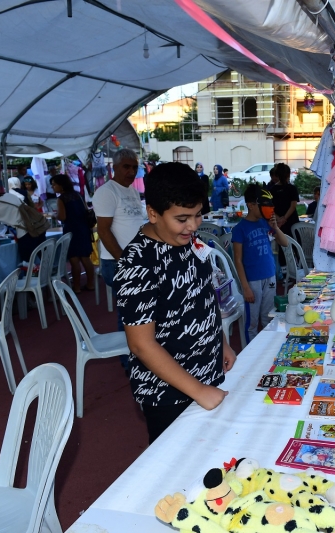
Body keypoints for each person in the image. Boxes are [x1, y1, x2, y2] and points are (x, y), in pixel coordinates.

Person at [116, 162, 236, 444]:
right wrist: (198, 391)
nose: (193, 226)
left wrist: (220, 341)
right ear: (153, 213)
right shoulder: (138, 263)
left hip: (206, 373)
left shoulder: (188, 241)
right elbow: (141, 344)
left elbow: (202, 297)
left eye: (197, 215)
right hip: (169, 393)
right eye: (182, 219)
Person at [93, 148, 146, 369]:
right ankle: (128, 361)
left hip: (135, 261)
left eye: (134, 167)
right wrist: (124, 262)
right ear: (114, 167)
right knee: (128, 313)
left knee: (137, 311)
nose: (131, 171)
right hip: (118, 263)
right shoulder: (107, 192)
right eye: (126, 166)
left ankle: (138, 354)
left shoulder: (132, 191)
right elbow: (104, 231)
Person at [231, 185, 288, 343]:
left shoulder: (266, 223)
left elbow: (285, 243)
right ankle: (251, 353)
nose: (268, 208)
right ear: (251, 205)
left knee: (269, 316)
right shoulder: (240, 229)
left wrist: (275, 227)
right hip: (252, 281)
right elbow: (238, 259)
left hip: (269, 276)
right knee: (253, 322)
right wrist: (245, 287)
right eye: (263, 204)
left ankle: (268, 348)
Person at [51, 174, 95, 293]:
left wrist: (54, 215)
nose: (53, 187)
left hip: (71, 230)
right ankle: (91, 284)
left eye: (54, 184)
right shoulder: (78, 195)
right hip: (83, 228)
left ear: (61, 185)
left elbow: (62, 216)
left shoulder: (61, 199)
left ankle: (76, 287)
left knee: (74, 259)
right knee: (85, 258)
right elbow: (85, 209)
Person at [270, 162, 299, 252]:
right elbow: (293, 206)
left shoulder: (272, 189)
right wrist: (284, 218)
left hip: (278, 222)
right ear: (288, 175)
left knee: (282, 247)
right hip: (291, 220)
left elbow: (271, 207)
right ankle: (298, 264)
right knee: (296, 245)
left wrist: (279, 219)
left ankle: (283, 265)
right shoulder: (292, 188)